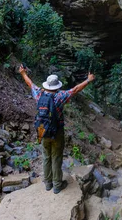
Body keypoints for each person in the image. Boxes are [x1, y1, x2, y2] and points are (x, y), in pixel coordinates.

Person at [19, 65, 94, 194]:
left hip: (42, 130)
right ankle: (57, 185)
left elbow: (30, 84)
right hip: (57, 131)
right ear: (57, 86)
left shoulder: (39, 93)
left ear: (47, 85)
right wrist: (88, 80)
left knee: (46, 156)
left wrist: (23, 73)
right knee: (56, 157)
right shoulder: (60, 96)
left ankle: (48, 184)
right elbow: (75, 90)